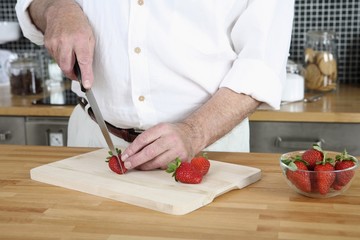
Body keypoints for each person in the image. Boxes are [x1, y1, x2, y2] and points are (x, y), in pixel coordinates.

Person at [16, 0, 294, 171]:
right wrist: (57, 8)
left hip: (208, 150)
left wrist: (194, 132)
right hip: (92, 140)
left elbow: (261, 63)